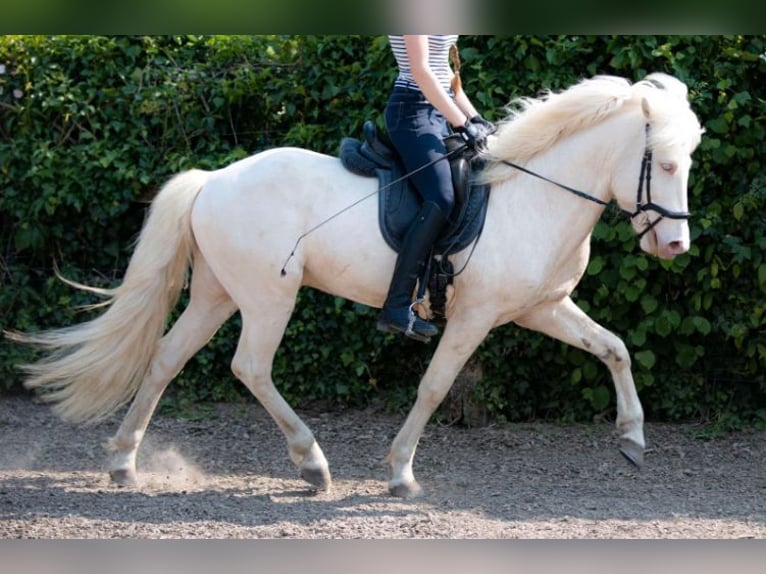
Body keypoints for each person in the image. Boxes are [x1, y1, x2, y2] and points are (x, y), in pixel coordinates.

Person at [377, 35, 494, 342]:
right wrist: (462, 125)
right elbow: (421, 72)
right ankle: (397, 306)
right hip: (412, 112)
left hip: (438, 112)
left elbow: (445, 77)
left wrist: (477, 120)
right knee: (440, 196)